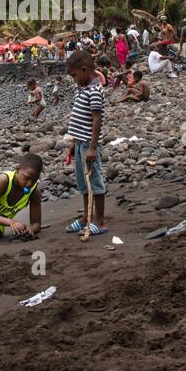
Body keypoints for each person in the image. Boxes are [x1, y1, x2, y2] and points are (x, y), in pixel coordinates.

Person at [63, 50, 107, 235]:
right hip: (81, 142)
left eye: (74, 76)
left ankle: (100, 221)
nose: (74, 79)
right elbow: (80, 120)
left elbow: (97, 120)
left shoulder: (94, 91)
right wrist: (74, 144)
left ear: (83, 70)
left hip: (89, 144)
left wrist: (92, 148)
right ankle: (86, 216)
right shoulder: (82, 89)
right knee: (83, 182)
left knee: (95, 181)